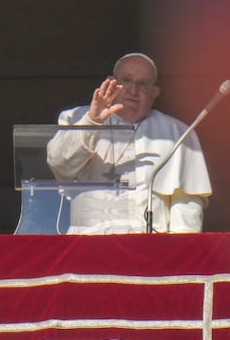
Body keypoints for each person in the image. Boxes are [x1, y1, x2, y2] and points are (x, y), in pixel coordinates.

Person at [46, 53, 212, 233]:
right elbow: (60, 165)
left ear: (154, 92)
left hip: (150, 246)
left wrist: (181, 249)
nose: (133, 91)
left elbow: (186, 203)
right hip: (89, 240)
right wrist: (92, 122)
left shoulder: (176, 133)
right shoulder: (77, 118)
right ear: (110, 82)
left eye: (142, 84)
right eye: (126, 80)